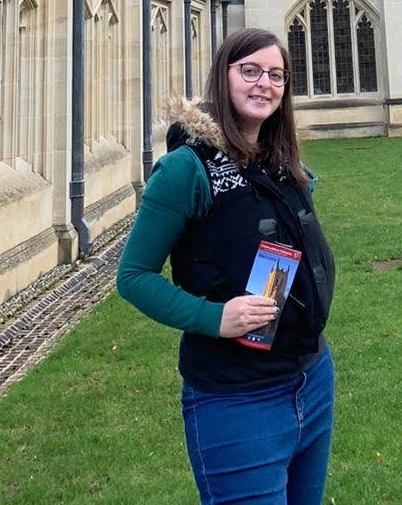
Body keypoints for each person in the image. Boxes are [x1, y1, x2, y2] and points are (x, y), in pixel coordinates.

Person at [116, 28, 336, 504]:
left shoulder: (280, 159)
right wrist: (215, 317)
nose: (264, 84)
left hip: (312, 378)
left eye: (276, 75)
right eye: (250, 71)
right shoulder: (185, 169)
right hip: (239, 400)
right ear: (223, 75)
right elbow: (132, 277)